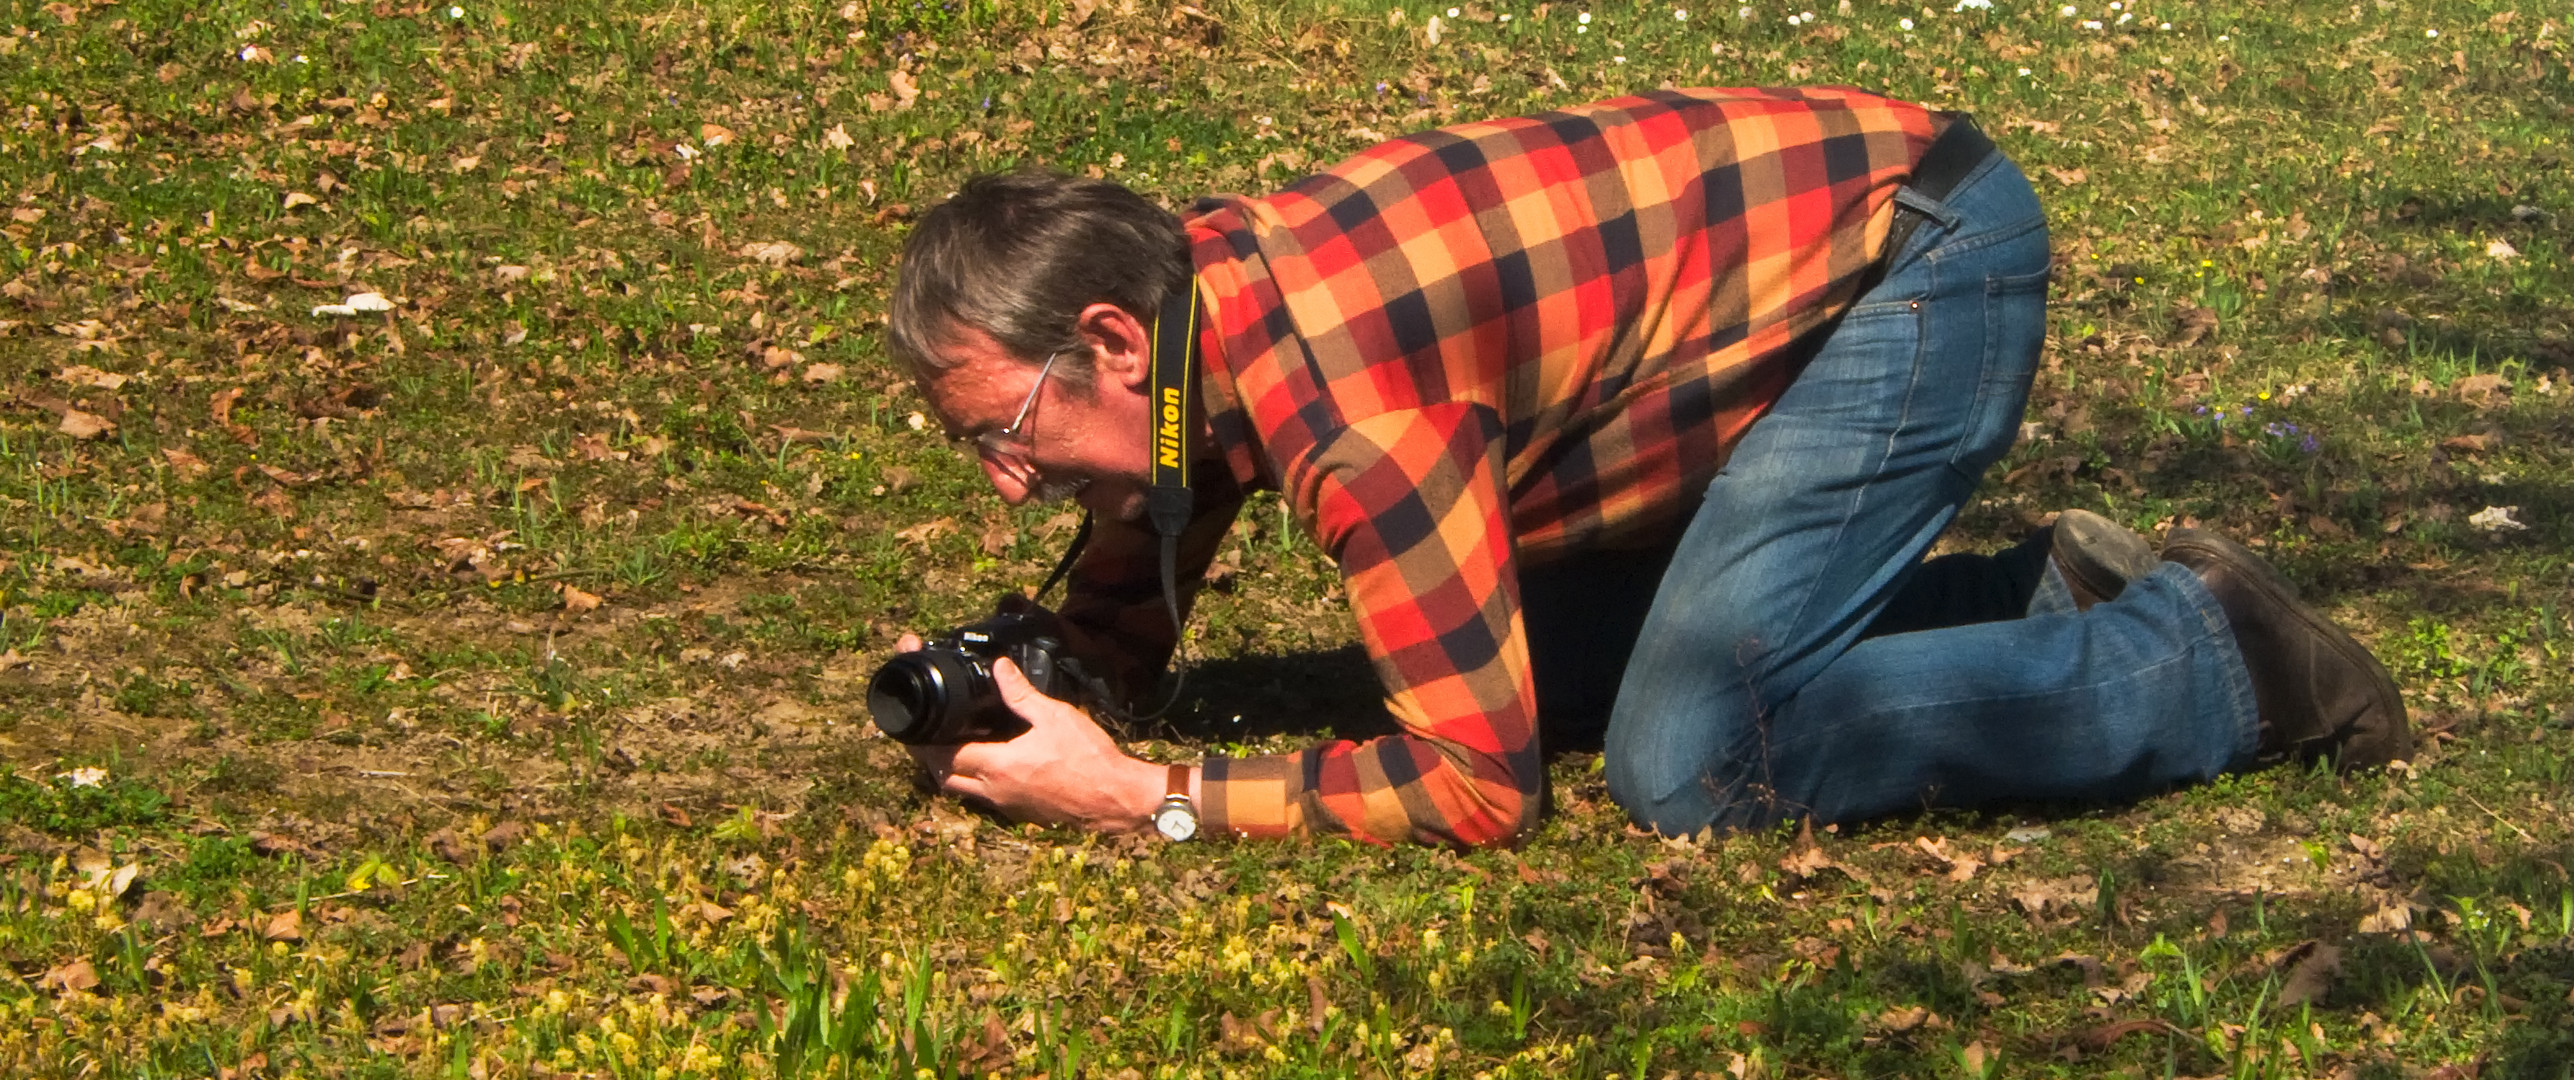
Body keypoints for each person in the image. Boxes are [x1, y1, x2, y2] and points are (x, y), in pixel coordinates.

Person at [881, 87, 2409, 848]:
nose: (1006, 482)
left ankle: (2211, 663)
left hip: (1913, 264)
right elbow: (1172, 476)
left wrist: (1144, 794)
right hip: (1820, 247)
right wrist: (1058, 672)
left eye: (1001, 434)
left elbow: (1478, 789)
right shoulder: (1197, 304)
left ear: (1109, 339)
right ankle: (2034, 596)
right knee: (1524, 659)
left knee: (1694, 764)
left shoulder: (1351, 413)